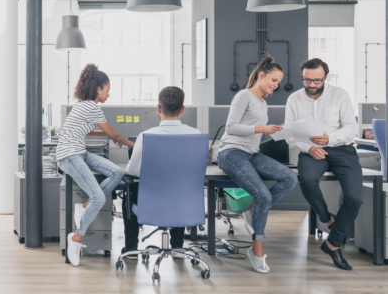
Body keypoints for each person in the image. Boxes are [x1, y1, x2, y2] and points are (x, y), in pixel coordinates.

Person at [217, 55, 298, 274]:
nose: (276, 85)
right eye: (273, 79)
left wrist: (274, 132)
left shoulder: (263, 103)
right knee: (263, 196)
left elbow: (257, 138)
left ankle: (253, 213)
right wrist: (262, 128)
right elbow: (231, 127)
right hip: (232, 152)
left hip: (251, 153)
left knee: (290, 178)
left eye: (278, 82)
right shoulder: (244, 95)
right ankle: (257, 250)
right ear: (261, 75)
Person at [285, 58, 361, 271]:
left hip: (342, 149)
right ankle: (327, 218)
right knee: (307, 180)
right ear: (302, 77)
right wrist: (308, 148)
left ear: (325, 77)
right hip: (310, 150)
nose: (311, 85)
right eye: (307, 80)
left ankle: (332, 243)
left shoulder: (339, 95)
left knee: (354, 199)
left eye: (317, 80)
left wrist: (329, 138)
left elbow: (350, 128)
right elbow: (290, 134)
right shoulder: (294, 99)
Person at [57, 64, 134, 267]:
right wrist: (134, 144)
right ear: (98, 89)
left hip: (79, 152)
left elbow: (91, 131)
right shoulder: (91, 106)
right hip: (69, 155)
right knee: (98, 197)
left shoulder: (84, 106)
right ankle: (76, 238)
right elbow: (113, 134)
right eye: (107, 90)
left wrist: (112, 136)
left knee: (117, 172)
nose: (108, 94)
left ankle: (84, 208)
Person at [122, 86, 199, 260]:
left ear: (158, 108)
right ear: (183, 109)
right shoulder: (195, 135)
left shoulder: (146, 136)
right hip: (184, 205)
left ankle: (131, 249)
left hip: (151, 206)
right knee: (178, 188)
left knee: (130, 190)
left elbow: (132, 172)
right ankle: (178, 247)